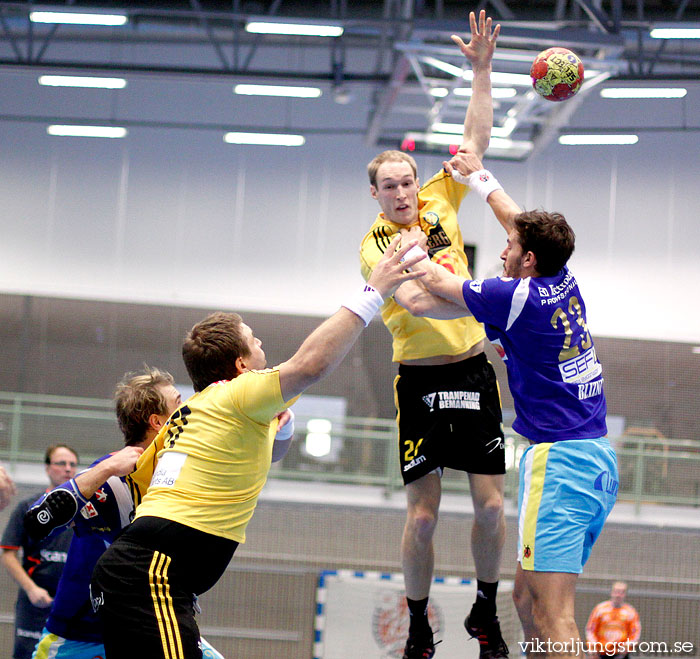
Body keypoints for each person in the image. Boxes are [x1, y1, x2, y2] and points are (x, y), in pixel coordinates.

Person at [89, 238, 426, 659]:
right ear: (240, 366)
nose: (262, 342)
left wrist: (280, 429)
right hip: (152, 575)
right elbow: (311, 365)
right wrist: (373, 291)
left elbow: (259, 456)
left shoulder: (195, 414)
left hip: (135, 573)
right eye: (254, 339)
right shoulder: (239, 394)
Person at [405, 150, 618, 658]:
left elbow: (436, 283)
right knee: (524, 600)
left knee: (554, 614)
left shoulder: (516, 297)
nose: (502, 250)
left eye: (509, 247)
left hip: (561, 463)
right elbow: (517, 221)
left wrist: (410, 240)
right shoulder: (560, 277)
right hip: (591, 462)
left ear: (528, 260)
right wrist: (479, 176)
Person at [359, 10, 507, 659]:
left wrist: (481, 68)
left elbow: (476, 138)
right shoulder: (375, 245)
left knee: (493, 509)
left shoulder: (440, 202)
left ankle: (483, 607)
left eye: (405, 180)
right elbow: (418, 300)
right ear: (375, 194)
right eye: (387, 186)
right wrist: (483, 300)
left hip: (474, 371)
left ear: (418, 181)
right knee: (423, 515)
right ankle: (418, 618)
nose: (399, 191)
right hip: (419, 381)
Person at [24, 367, 238, 659]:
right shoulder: (116, 478)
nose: (187, 409)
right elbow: (37, 520)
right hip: (82, 636)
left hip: (149, 622)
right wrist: (105, 469)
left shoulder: (183, 471)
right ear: (157, 421)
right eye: (178, 403)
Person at [1, 445, 78, 659]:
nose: (68, 469)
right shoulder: (28, 507)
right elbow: (8, 553)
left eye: (72, 464)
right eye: (61, 463)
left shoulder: (85, 512)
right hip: (34, 605)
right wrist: (32, 589)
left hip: (70, 605)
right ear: (47, 468)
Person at [585, 582, 640, 659]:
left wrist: (628, 646)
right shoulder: (600, 609)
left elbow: (635, 633)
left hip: (620, 653)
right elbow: (591, 630)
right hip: (601, 652)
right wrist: (592, 647)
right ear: (611, 592)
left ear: (625, 594)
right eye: (616, 592)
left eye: (622, 592)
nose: (618, 595)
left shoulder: (630, 612)